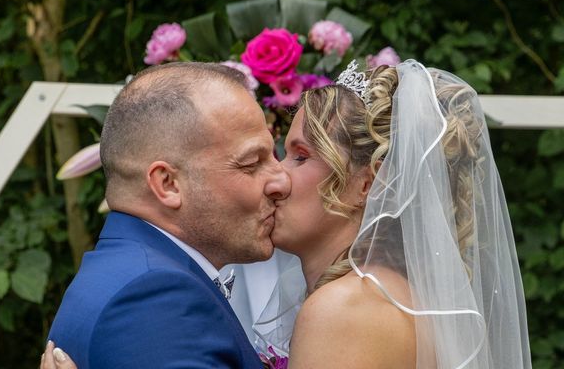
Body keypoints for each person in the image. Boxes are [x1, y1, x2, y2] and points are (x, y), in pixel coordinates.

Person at [44, 59, 531, 369]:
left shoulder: (347, 311)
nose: (277, 178)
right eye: (261, 159)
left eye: (298, 156)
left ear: (370, 181)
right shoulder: (383, 298)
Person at [45, 62, 291, 369]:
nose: (282, 180)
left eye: (274, 156)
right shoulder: (154, 297)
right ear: (168, 184)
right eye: (251, 163)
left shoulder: (132, 273)